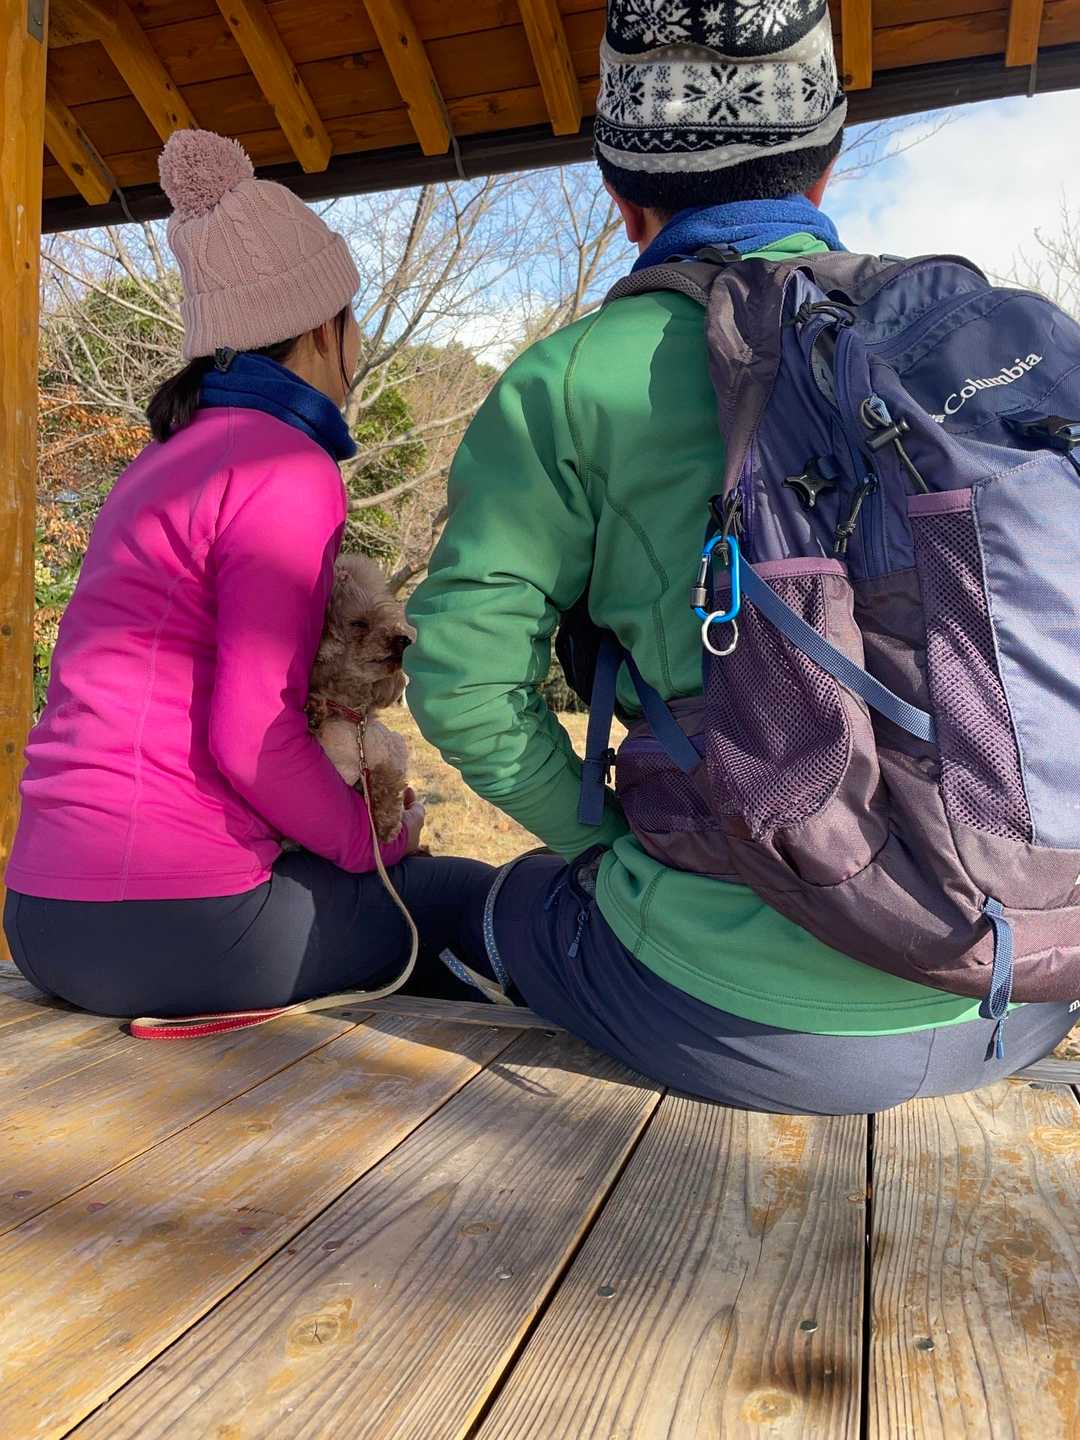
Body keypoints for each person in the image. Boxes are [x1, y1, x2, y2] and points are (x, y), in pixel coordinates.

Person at [405, 0, 1079, 1113]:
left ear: (622, 198)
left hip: (734, 1011)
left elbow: (462, 682)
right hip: (1029, 983)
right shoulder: (973, 351)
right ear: (825, 169)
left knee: (469, 901)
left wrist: (599, 838)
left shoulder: (571, 380)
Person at [3, 129, 494, 1018]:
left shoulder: (160, 462)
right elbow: (253, 737)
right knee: (462, 899)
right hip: (173, 923)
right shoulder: (284, 468)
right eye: (355, 319)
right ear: (323, 327)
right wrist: (375, 842)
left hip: (43, 915)